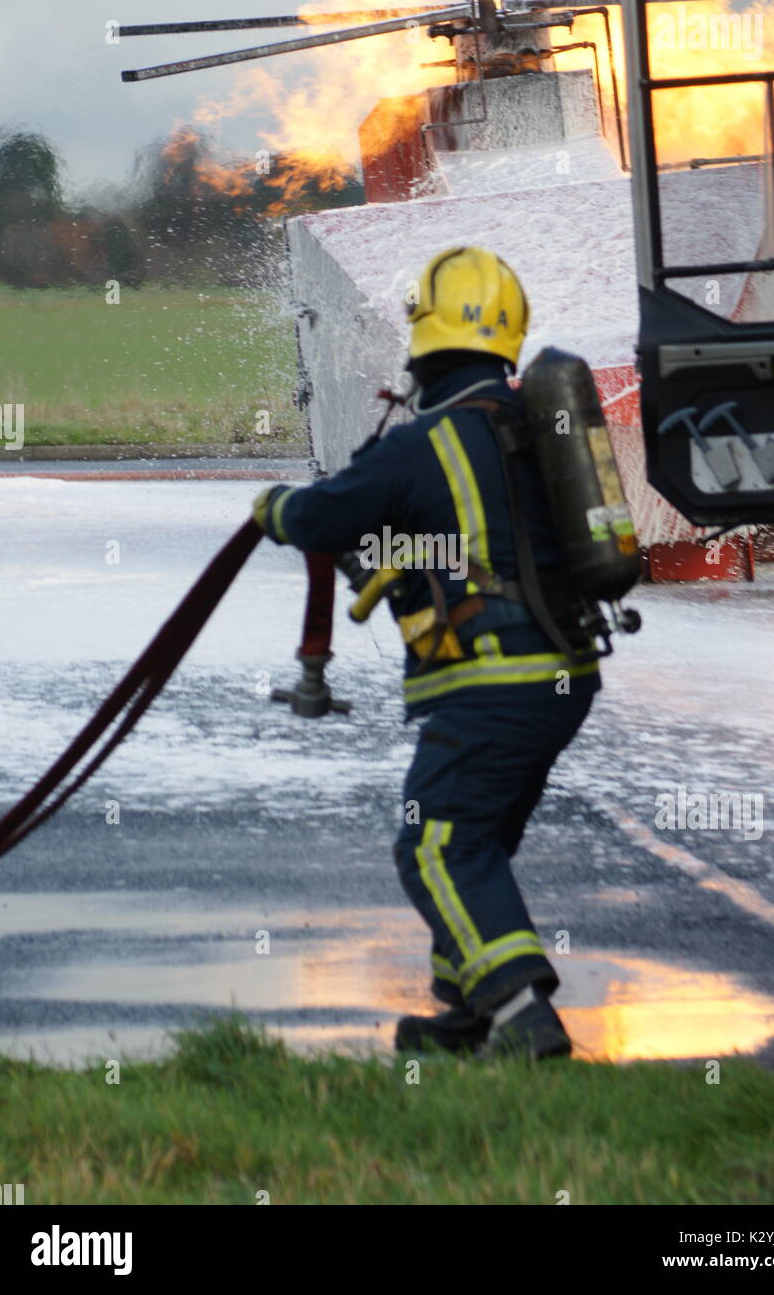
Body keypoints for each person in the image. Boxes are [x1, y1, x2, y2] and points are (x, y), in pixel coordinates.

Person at [252, 245, 600, 1059]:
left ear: (424, 344)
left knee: (436, 842)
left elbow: (318, 516)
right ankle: (467, 1015)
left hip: (492, 683)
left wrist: (270, 507)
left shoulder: (426, 442)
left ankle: (520, 1015)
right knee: (476, 841)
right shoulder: (523, 426)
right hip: (563, 678)